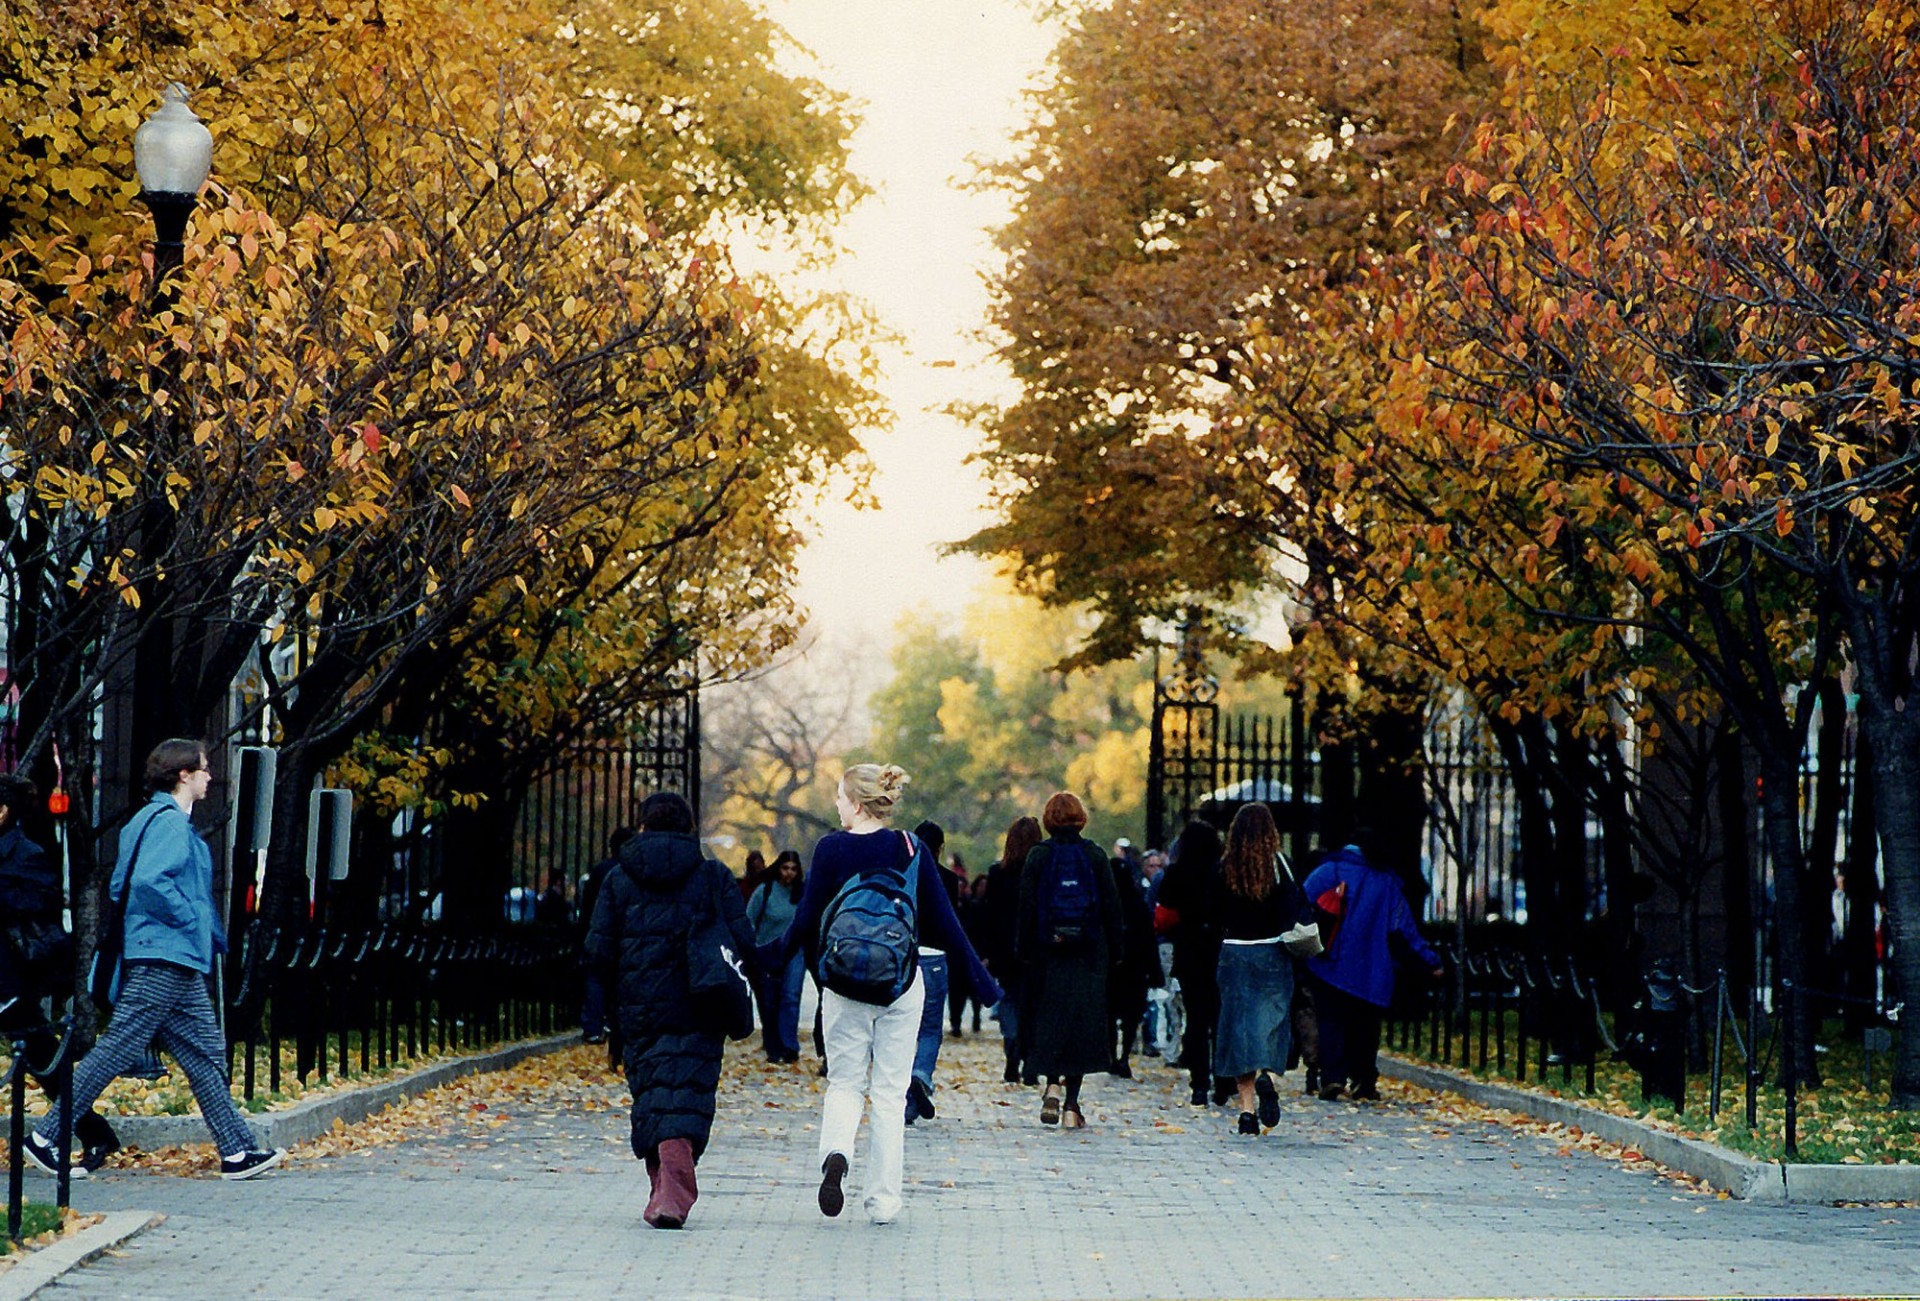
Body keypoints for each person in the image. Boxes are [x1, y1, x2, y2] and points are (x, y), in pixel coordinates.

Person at [24, 740, 283, 1180]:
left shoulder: (148, 820)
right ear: (182, 774)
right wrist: (189, 921)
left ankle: (237, 1151)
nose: (209, 776)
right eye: (203, 769)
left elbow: (122, 884)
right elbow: (147, 883)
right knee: (119, 1046)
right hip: (163, 955)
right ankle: (46, 1136)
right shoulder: (169, 826)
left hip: (170, 956)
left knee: (204, 1052)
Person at [759, 763, 1000, 1225]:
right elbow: (947, 923)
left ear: (855, 801)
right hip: (900, 985)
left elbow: (805, 920)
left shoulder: (829, 848)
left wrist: (766, 957)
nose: (835, 803)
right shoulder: (912, 847)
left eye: (838, 796)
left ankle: (836, 1153)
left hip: (844, 986)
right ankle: (883, 1203)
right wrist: (982, 983)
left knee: (845, 1082)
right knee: (890, 1094)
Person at [585, 791, 756, 1229]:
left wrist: (598, 1011)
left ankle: (665, 1187)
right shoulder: (713, 876)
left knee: (654, 1093)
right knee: (688, 1091)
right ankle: (671, 1190)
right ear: (687, 828)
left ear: (642, 826)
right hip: (702, 1002)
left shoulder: (619, 879)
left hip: (638, 1006)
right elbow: (744, 941)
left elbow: (598, 952)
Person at [0, 774, 119, 1171]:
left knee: (41, 1058)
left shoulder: (25, 853)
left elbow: (39, 904)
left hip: (11, 978)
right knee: (40, 1055)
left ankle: (93, 1132)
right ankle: (93, 1132)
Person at [1300, 828, 1442, 1101]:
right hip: (1373, 972)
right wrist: (1431, 962)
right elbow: (1404, 931)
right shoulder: (1388, 883)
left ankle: (1333, 1077)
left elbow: (1301, 903)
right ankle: (1363, 1078)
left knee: (1330, 1022)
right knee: (1365, 1027)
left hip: (1329, 964)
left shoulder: (1330, 870)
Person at [1017, 791, 1123, 1128]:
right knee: (1080, 1027)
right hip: (1089, 953)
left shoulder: (1038, 855)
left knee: (1050, 1021)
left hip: (1048, 953)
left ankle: (1051, 1084)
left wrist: (1024, 951)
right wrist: (1116, 951)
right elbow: (1111, 907)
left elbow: (1027, 908)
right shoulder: (1094, 855)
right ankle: (1072, 1106)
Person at [1210, 803, 1299, 1134]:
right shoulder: (1279, 867)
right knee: (1271, 1024)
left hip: (1234, 953)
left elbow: (1212, 913)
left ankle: (1247, 1110)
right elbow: (1295, 908)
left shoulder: (1225, 868)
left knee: (1237, 1029)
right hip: (1272, 951)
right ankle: (1266, 1075)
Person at [1158, 818, 1227, 1107]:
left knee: (1196, 1019)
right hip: (1220, 951)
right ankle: (1224, 1080)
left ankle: (1199, 1082)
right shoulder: (1223, 871)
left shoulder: (1176, 873)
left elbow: (1164, 913)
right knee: (1221, 1019)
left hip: (1189, 952)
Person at [985, 816, 1042, 1084]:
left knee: (1009, 1000)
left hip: (1004, 950)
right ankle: (1030, 1056)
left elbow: (990, 915)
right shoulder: (1042, 873)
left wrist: (988, 951)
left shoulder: (997, 874)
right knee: (1033, 1003)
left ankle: (1011, 1045)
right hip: (1036, 946)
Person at [745, 850, 806, 1063]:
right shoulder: (765, 891)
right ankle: (773, 1046)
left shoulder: (802, 894)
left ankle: (789, 1045)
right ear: (778, 868)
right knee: (769, 1001)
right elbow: (749, 919)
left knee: (790, 997)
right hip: (766, 949)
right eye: (785, 868)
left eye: (793, 869)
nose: (789, 873)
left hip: (794, 951)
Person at [577, 827, 634, 1045]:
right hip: (623, 933)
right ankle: (616, 1022)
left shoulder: (602, 870)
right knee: (619, 980)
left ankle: (593, 1026)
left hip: (600, 932)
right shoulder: (631, 870)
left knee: (596, 979)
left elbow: (588, 905)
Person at [1108, 851, 1162, 1078]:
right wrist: (1154, 970)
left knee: (1109, 1015)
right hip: (1135, 969)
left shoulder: (1105, 904)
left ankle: (1112, 1056)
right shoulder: (1137, 903)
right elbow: (1149, 938)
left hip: (1111, 969)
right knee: (1131, 1017)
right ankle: (1124, 1056)